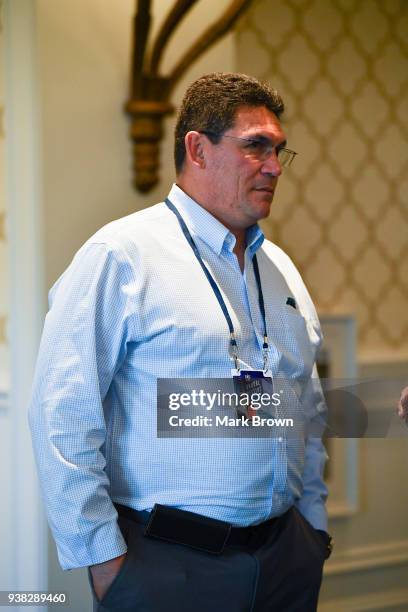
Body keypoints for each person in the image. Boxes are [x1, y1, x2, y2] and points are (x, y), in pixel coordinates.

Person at [29, 72, 332, 612]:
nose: (272, 166)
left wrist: (312, 530)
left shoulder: (281, 270)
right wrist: (107, 566)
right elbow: (62, 417)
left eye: (279, 150)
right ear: (197, 148)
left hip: (285, 562)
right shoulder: (120, 256)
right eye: (255, 146)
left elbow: (304, 406)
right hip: (167, 569)